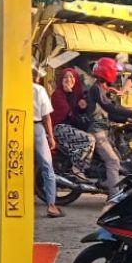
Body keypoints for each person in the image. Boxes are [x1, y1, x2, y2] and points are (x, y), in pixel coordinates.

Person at [85, 57, 132, 195]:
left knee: (119, 156)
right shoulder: (96, 89)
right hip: (97, 131)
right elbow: (110, 108)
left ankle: (108, 182)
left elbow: (112, 112)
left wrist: (129, 118)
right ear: (107, 73)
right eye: (115, 72)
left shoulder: (102, 88)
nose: (117, 76)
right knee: (113, 161)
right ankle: (114, 197)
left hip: (105, 129)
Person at [50, 67, 95, 176]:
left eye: (72, 77)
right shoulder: (58, 94)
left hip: (72, 127)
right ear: (61, 80)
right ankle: (77, 169)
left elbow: (79, 112)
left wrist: (82, 107)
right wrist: (71, 96)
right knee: (89, 140)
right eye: (65, 77)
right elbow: (67, 112)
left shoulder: (78, 94)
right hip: (60, 128)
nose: (69, 79)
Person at [33, 72, 62, 219]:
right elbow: (46, 116)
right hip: (36, 128)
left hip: (15, 126)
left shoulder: (14, 87)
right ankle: (51, 205)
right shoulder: (39, 90)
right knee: (47, 167)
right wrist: (51, 137)